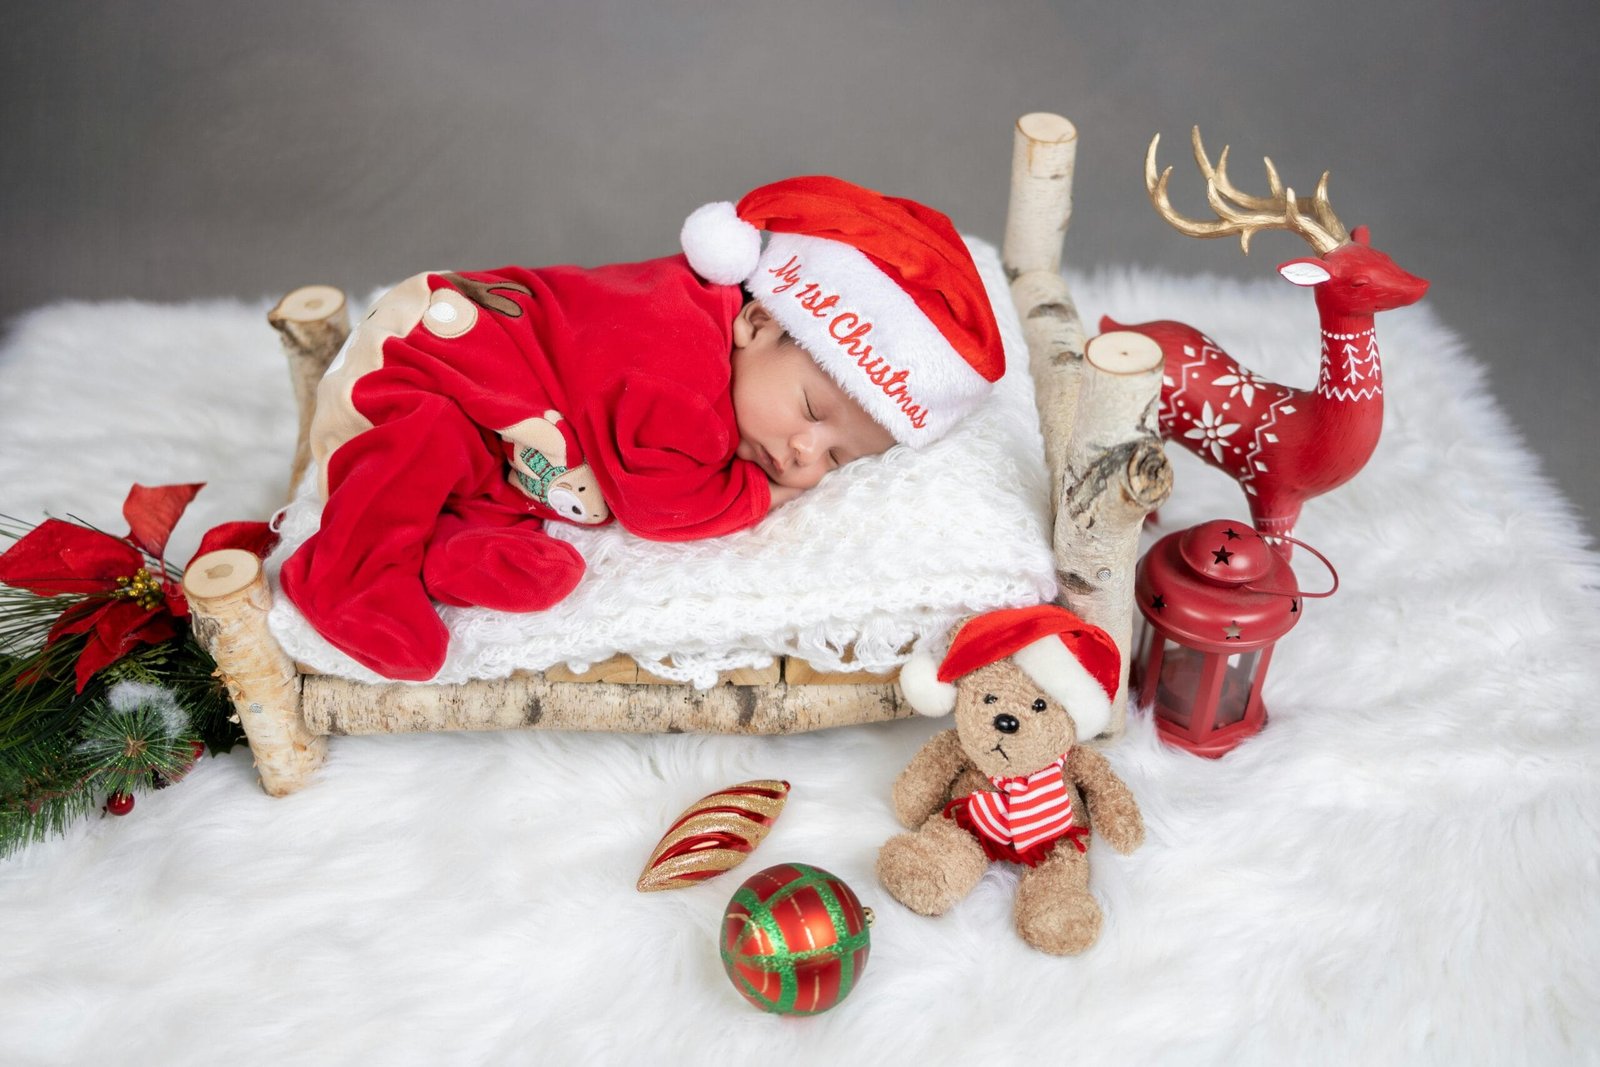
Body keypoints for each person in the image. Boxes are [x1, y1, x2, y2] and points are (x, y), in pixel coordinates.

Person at [280, 175, 1005, 680]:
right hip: (426, 362)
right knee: (426, 440)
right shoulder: (678, 370)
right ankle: (344, 572)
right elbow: (659, 508)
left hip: (509, 435)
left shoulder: (738, 367)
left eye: (838, 457)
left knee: (494, 490)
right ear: (756, 321)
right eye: (813, 414)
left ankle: (440, 547)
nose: (804, 452)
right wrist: (765, 497)